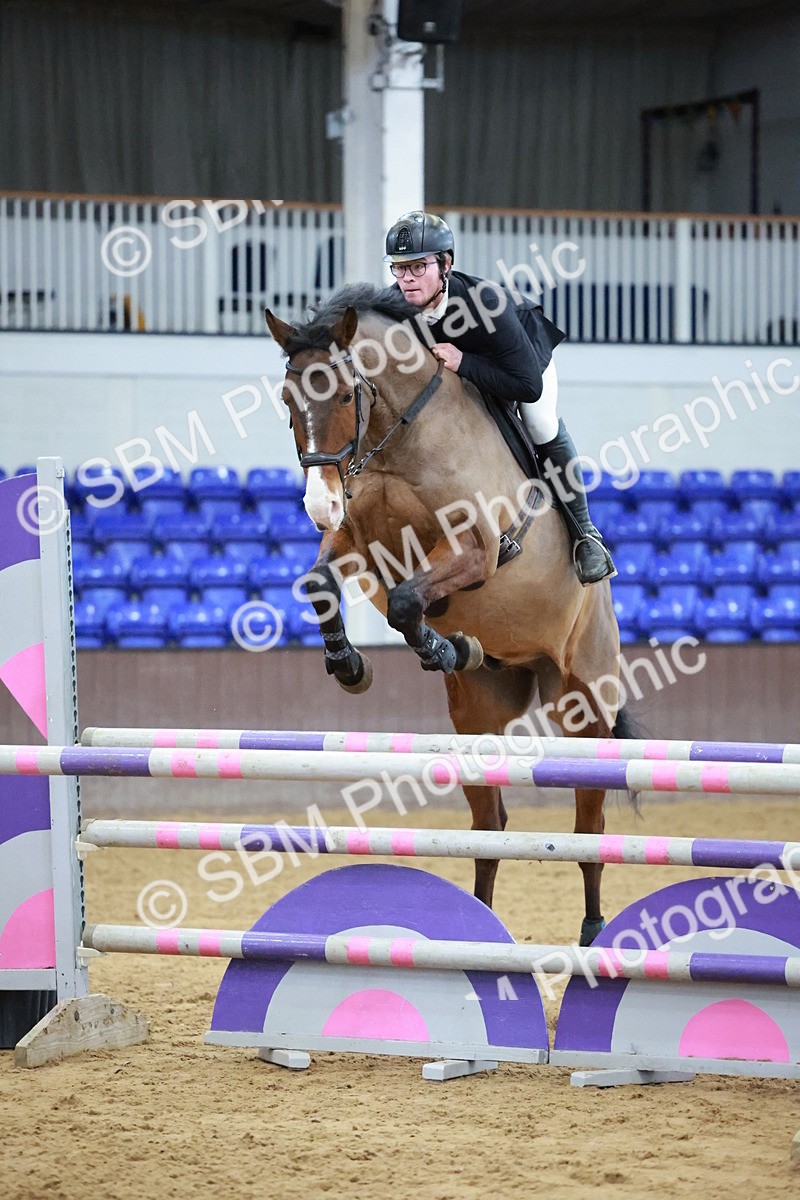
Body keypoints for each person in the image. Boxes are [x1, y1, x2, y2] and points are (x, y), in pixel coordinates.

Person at [384, 210, 615, 586]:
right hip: (465, 370)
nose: (407, 280)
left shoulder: (483, 301)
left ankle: (586, 534)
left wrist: (465, 362)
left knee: (539, 424)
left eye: (418, 267)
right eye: (399, 269)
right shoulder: (393, 307)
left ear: (446, 265)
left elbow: (527, 386)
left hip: (521, 360)